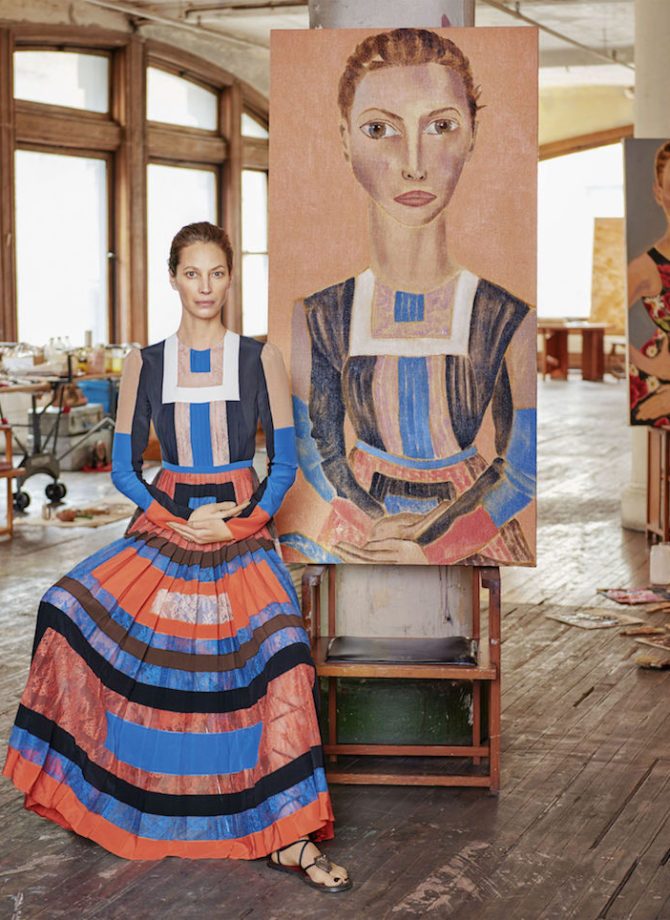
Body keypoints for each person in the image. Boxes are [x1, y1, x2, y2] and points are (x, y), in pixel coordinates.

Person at [3, 221, 351, 894]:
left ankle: (288, 833)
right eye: (192, 273)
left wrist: (238, 524)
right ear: (173, 278)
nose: (205, 287)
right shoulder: (145, 363)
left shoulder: (261, 359)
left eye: (216, 273)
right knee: (68, 609)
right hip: (168, 522)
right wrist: (179, 520)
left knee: (281, 652)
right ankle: (106, 795)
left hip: (240, 527)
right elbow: (125, 470)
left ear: (230, 278)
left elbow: (284, 465)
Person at [284, 28, 536, 566]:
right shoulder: (319, 315)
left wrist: (435, 545)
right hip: (355, 531)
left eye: (441, 126)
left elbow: (522, 469)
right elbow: (315, 446)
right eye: (380, 129)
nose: (413, 163)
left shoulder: (507, 318)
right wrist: (375, 526)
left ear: (473, 134)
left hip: (472, 529)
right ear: (345, 139)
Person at [627, 139, 670, 425]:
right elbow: (613, 321)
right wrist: (649, 365)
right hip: (658, 387)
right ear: (658, 193)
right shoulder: (645, 268)